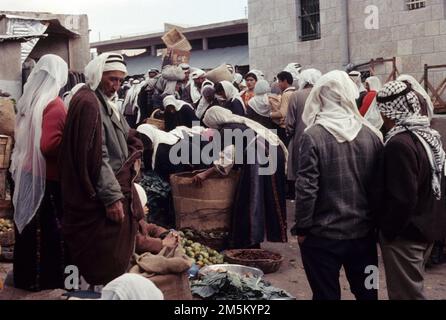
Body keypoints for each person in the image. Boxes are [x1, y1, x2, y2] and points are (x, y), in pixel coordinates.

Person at [292, 70, 384, 301]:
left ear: (320, 98)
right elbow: (378, 187)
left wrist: (302, 228)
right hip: (363, 237)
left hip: (322, 237)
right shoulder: (371, 135)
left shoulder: (312, 136)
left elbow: (306, 188)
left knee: (325, 294)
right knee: (368, 291)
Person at [59, 53, 144, 286]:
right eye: (112, 79)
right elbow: (96, 155)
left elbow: (122, 133)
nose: (116, 85)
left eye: (119, 81)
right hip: (102, 189)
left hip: (113, 181)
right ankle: (100, 285)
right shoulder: (89, 103)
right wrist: (112, 197)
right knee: (103, 249)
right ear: (98, 76)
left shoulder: (102, 100)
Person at [376, 80, 446, 300]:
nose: (382, 118)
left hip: (406, 236)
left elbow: (402, 199)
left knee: (406, 295)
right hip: (427, 228)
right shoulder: (428, 136)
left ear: (391, 112)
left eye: (383, 112)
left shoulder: (399, 143)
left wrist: (388, 232)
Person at [10, 54, 68, 291]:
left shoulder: (29, 102)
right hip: (46, 178)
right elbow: (48, 145)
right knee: (48, 231)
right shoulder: (54, 104)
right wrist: (69, 143)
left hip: (24, 172)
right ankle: (43, 281)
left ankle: (24, 278)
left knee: (26, 227)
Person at [193, 106, 288, 249]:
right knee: (269, 197)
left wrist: (205, 173)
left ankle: (249, 241)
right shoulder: (240, 123)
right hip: (275, 154)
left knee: (250, 199)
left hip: (259, 156)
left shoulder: (227, 128)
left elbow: (228, 157)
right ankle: (258, 238)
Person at [286, 68, 321, 198]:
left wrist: (290, 134)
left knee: (300, 170)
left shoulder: (297, 95)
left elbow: (290, 122)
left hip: (300, 138)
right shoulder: (322, 93)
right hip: (321, 137)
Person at [272, 71, 296, 144]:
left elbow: (282, 113)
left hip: (284, 128)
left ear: (285, 81)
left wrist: (270, 114)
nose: (278, 84)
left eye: (279, 81)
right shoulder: (295, 92)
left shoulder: (286, 94)